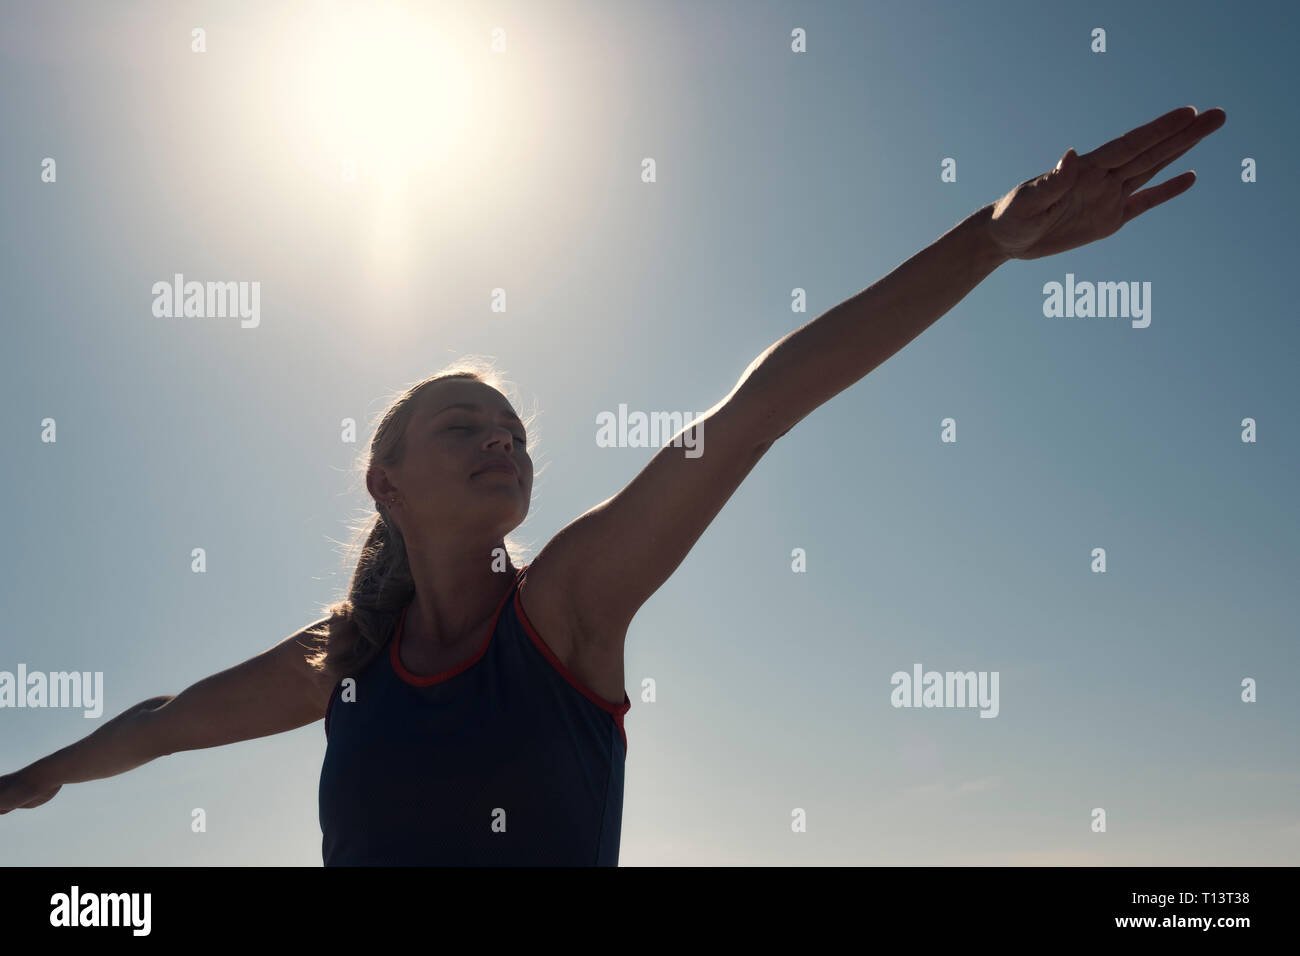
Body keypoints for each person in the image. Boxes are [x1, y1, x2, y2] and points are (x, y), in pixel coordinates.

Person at [0, 105, 1227, 865]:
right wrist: (40, 775)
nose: (502, 439)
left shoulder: (566, 606)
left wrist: (986, 244)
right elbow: (160, 724)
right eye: (462, 424)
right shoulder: (346, 656)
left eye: (513, 426)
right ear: (384, 482)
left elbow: (758, 411)